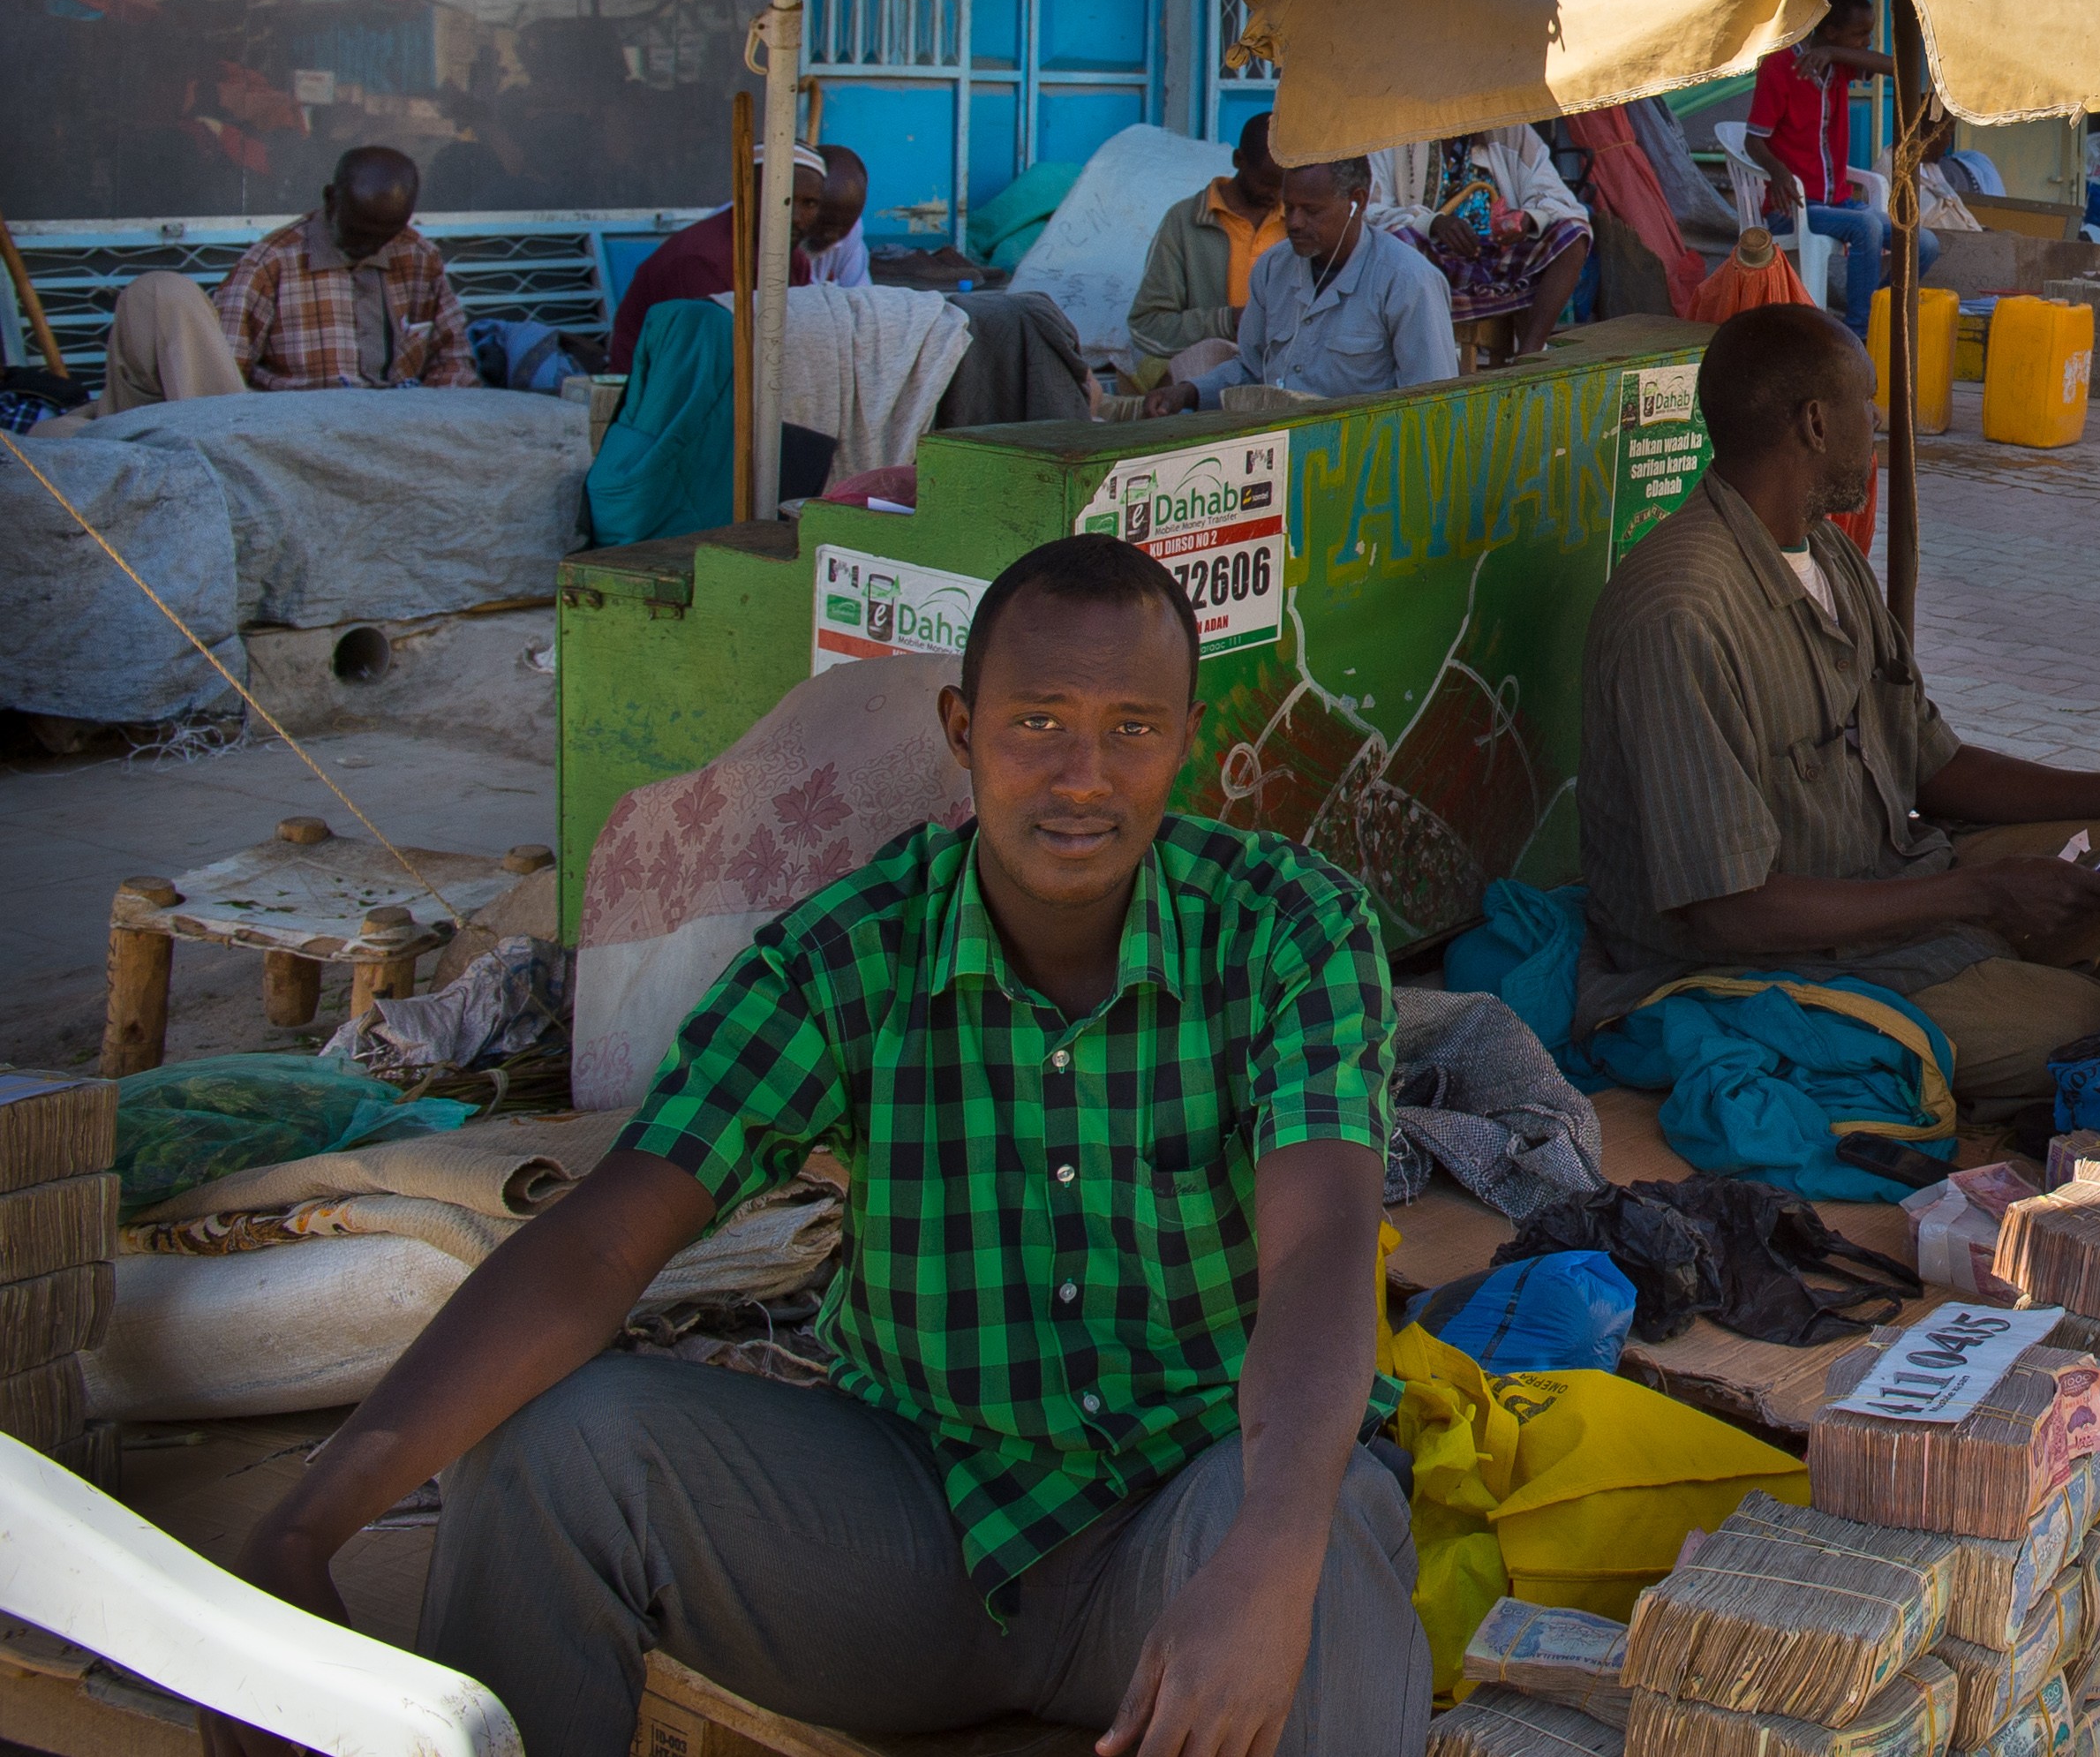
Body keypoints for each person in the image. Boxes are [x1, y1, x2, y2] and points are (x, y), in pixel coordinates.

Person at [212, 538, 1424, 1757]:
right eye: (1038, 722)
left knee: (1327, 1536)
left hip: (1187, 1516)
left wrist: (1266, 1554)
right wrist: (305, 1526)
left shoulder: (1291, 930)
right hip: (909, 1532)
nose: (1081, 777)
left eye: (1131, 729)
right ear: (962, 729)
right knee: (556, 1446)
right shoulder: (844, 953)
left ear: (1189, 739)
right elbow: (604, 1240)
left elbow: (1321, 1246)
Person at [1577, 305, 2100, 1120]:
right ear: (1815, 423)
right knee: (2084, 1023)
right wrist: (1979, 896)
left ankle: (2008, 990)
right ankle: (2009, 1005)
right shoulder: (1682, 615)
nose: (1878, 424)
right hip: (1750, 960)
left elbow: (1933, 764)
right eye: (1866, 404)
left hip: (1890, 884)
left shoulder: (1827, 552)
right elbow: (1730, 908)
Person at [94, 147, 479, 414]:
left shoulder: (418, 254)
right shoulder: (270, 264)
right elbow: (220, 381)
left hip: (405, 423)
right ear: (331, 200)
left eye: (387, 234)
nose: (372, 246)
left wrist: (434, 417)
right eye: (360, 232)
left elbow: (453, 360)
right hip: (303, 428)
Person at [1151, 155, 1456, 413]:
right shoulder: (1273, 268)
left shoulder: (1408, 280)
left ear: (1357, 202)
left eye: (1311, 211)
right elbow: (1253, 370)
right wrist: (1188, 392)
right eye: (1289, 208)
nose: (1294, 223)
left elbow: (1431, 405)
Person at [1741, 0, 1931, 336]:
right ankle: (1858, 332)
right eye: (1861, 35)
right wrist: (1778, 170)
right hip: (1794, 209)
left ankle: (1870, 305)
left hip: (1839, 202)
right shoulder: (1781, 66)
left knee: (1924, 242)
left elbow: (1899, 68)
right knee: (1867, 228)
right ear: (1829, 30)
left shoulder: (1837, 64)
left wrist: (1832, 52)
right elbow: (1753, 140)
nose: (1867, 42)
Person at [1365, 124, 1593, 362]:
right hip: (1434, 267)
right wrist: (1433, 224)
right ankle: (1446, 364)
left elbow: (1558, 199)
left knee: (1573, 233)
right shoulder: (1391, 131)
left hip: (1502, 261)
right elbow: (1372, 213)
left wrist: (1527, 219)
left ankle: (1530, 355)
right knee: (1395, 243)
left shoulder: (1510, 128)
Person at [612, 147, 827, 373]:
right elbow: (708, 364)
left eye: (810, 204)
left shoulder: (791, 257)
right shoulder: (701, 260)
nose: (795, 217)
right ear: (747, 193)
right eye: (782, 199)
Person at [1130, 112, 1288, 358]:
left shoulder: (1298, 224)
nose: (1276, 195)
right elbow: (1147, 326)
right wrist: (1226, 322)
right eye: (1267, 183)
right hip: (1209, 380)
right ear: (1239, 160)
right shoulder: (1184, 222)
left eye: (1284, 185)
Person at [802, 144, 874, 287]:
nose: (830, 236)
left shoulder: (852, 230)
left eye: (843, 228)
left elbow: (861, 296)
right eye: (823, 224)